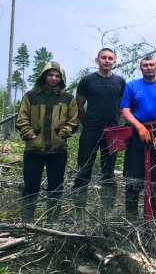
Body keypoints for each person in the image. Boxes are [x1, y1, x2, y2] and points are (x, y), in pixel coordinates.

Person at [16, 62, 78, 224]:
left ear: (62, 78)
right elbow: (22, 119)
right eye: (50, 75)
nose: (54, 78)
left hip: (58, 151)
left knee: (56, 188)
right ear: (44, 75)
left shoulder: (67, 98)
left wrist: (63, 134)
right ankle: (27, 222)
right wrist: (31, 136)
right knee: (31, 187)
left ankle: (53, 222)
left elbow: (73, 120)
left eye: (57, 76)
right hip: (33, 151)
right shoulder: (31, 96)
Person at [120, 55, 156, 220]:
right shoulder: (132, 86)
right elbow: (124, 110)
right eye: (145, 65)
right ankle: (131, 220)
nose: (149, 67)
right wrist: (139, 127)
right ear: (141, 68)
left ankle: (150, 220)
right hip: (137, 136)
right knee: (132, 179)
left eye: (151, 64)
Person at [72, 48, 126, 215]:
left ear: (114, 61)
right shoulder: (88, 80)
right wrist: (86, 123)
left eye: (110, 58)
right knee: (84, 170)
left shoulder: (120, 82)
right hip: (91, 131)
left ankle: (106, 213)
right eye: (104, 58)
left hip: (113, 132)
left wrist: (120, 126)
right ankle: (79, 212)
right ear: (97, 60)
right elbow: (78, 104)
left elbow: (124, 107)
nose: (107, 60)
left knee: (108, 172)